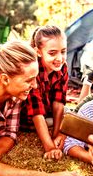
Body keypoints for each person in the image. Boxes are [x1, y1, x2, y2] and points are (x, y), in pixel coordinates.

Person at [0, 39, 83, 176]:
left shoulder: (14, 95)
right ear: (5, 79)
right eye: (29, 80)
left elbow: (10, 134)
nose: (35, 86)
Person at [20, 25, 68, 160]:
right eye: (52, 53)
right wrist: (50, 147)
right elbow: (36, 112)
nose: (59, 58)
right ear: (39, 52)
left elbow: (59, 103)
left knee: (68, 115)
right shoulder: (32, 71)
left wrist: (57, 135)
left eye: (63, 51)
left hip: (47, 114)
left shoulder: (62, 67)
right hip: (28, 117)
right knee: (61, 119)